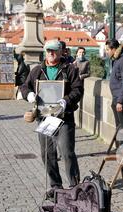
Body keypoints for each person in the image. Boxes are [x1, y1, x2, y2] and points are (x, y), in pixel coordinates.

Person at [20, 39, 83, 199]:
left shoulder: (70, 69)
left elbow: (78, 90)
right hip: (44, 118)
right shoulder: (37, 70)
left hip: (64, 117)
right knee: (47, 153)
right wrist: (29, 95)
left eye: (54, 51)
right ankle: (56, 186)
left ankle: (75, 187)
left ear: (61, 51)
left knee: (67, 152)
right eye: (48, 51)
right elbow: (25, 86)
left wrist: (66, 100)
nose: (51, 54)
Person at [105, 39, 123, 131]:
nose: (106, 52)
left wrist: (120, 101)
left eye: (107, 50)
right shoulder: (117, 59)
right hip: (117, 98)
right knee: (119, 127)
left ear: (113, 49)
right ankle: (120, 145)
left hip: (122, 100)